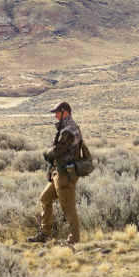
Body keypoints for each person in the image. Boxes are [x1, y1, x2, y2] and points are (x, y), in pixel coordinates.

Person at [29, 101, 82, 245]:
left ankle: (74, 240)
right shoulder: (67, 128)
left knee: (68, 208)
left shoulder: (68, 130)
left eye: (57, 113)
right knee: (45, 198)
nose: (55, 116)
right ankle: (45, 233)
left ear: (65, 112)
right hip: (60, 173)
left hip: (65, 175)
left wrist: (46, 152)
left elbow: (58, 151)